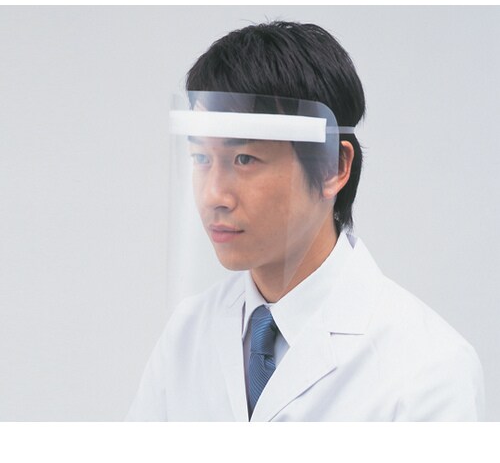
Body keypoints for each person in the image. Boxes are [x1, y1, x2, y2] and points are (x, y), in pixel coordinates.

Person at [126, 21, 484, 421]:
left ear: (334, 166)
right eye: (201, 158)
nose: (213, 196)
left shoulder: (429, 369)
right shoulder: (187, 334)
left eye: (244, 159)